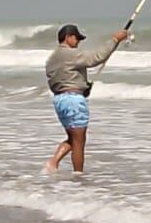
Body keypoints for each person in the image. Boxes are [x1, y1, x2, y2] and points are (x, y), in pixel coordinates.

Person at [44, 24, 127, 173]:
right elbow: (97, 58)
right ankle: (78, 177)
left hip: (59, 101)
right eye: (77, 39)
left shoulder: (51, 59)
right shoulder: (69, 54)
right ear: (68, 37)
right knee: (79, 143)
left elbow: (60, 81)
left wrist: (82, 86)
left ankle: (53, 163)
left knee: (72, 139)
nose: (78, 43)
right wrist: (115, 39)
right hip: (73, 101)